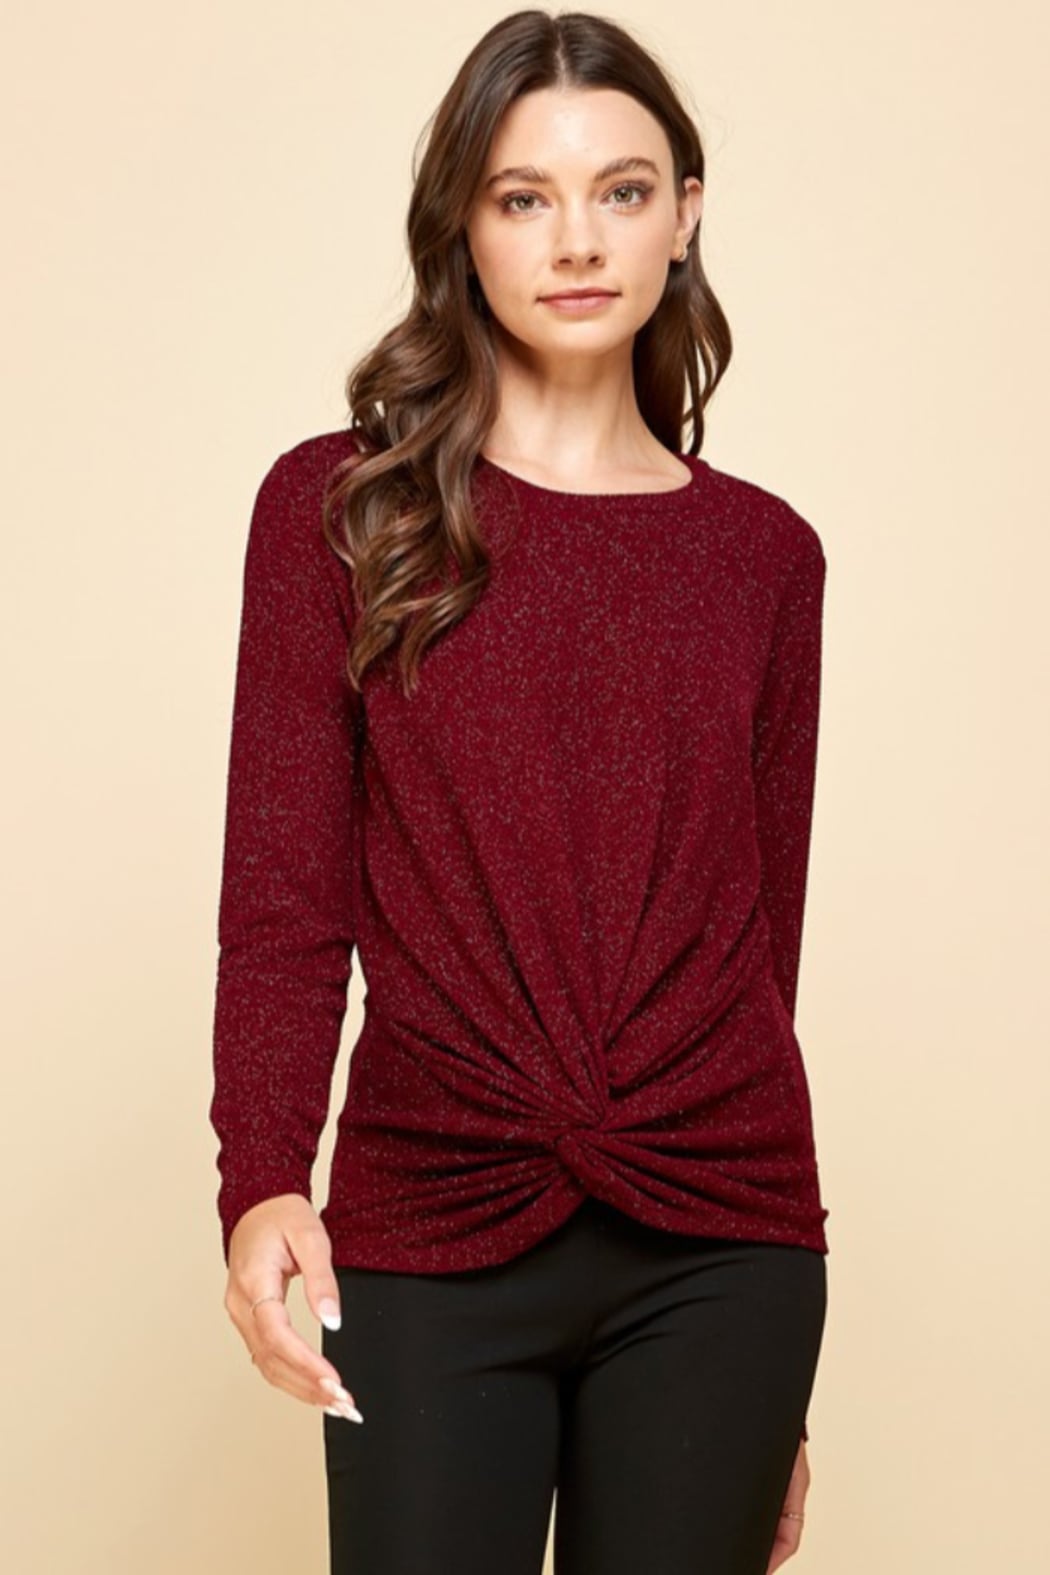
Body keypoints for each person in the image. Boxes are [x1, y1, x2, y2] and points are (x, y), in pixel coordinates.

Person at [210, 10, 831, 1574]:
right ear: (461, 226)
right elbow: (286, 899)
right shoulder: (340, 513)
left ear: (683, 215)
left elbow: (757, 939)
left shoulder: (763, 557)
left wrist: (768, 1399)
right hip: (433, 1210)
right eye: (521, 196)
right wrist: (263, 1177)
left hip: (721, 1248)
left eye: (621, 191)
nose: (575, 240)